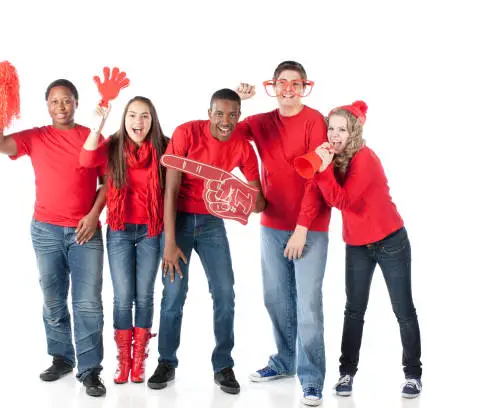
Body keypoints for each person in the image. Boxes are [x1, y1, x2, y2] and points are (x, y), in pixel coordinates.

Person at [0, 79, 107, 397]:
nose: (61, 107)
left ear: (76, 103)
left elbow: (109, 183)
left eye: (66, 100)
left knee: (88, 303)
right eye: (54, 102)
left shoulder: (91, 137)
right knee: (53, 299)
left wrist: (94, 215)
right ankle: (62, 358)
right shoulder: (37, 137)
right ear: (47, 106)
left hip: (86, 231)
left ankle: (91, 370)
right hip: (46, 231)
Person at [147, 88, 266, 395]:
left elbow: (257, 200)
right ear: (209, 112)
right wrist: (170, 241)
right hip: (180, 220)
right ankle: (166, 362)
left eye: (232, 115)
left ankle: (223, 366)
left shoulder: (243, 146)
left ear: (239, 117)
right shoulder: (187, 132)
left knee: (225, 293)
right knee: (173, 293)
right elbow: (170, 189)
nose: (225, 121)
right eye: (219, 114)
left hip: (212, 223)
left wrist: (243, 198)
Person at [304, 100, 423, 399]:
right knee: (354, 310)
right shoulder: (336, 158)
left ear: (354, 131)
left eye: (342, 129)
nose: (334, 134)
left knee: (403, 310)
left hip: (390, 241)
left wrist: (321, 171)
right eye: (331, 128)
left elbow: (342, 201)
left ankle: (413, 375)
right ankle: (346, 374)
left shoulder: (365, 158)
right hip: (357, 244)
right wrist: (321, 166)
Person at [236, 61, 331, 406]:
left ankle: (311, 379)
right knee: (275, 297)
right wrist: (238, 100)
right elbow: (226, 131)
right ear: (273, 86)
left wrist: (302, 229)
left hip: (310, 228)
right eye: (282, 83)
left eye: (295, 83)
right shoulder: (261, 122)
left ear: (304, 86)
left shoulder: (315, 121)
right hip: (272, 225)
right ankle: (284, 361)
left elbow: (317, 178)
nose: (288, 89)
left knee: (307, 306)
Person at [79, 96, 169, 384]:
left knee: (144, 296)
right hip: (119, 228)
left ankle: (140, 358)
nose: (138, 122)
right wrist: (98, 125)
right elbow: (86, 159)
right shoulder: (113, 145)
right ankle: (124, 361)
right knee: (122, 297)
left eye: (144, 116)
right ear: (125, 119)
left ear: (152, 119)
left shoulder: (165, 147)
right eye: (132, 115)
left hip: (151, 230)